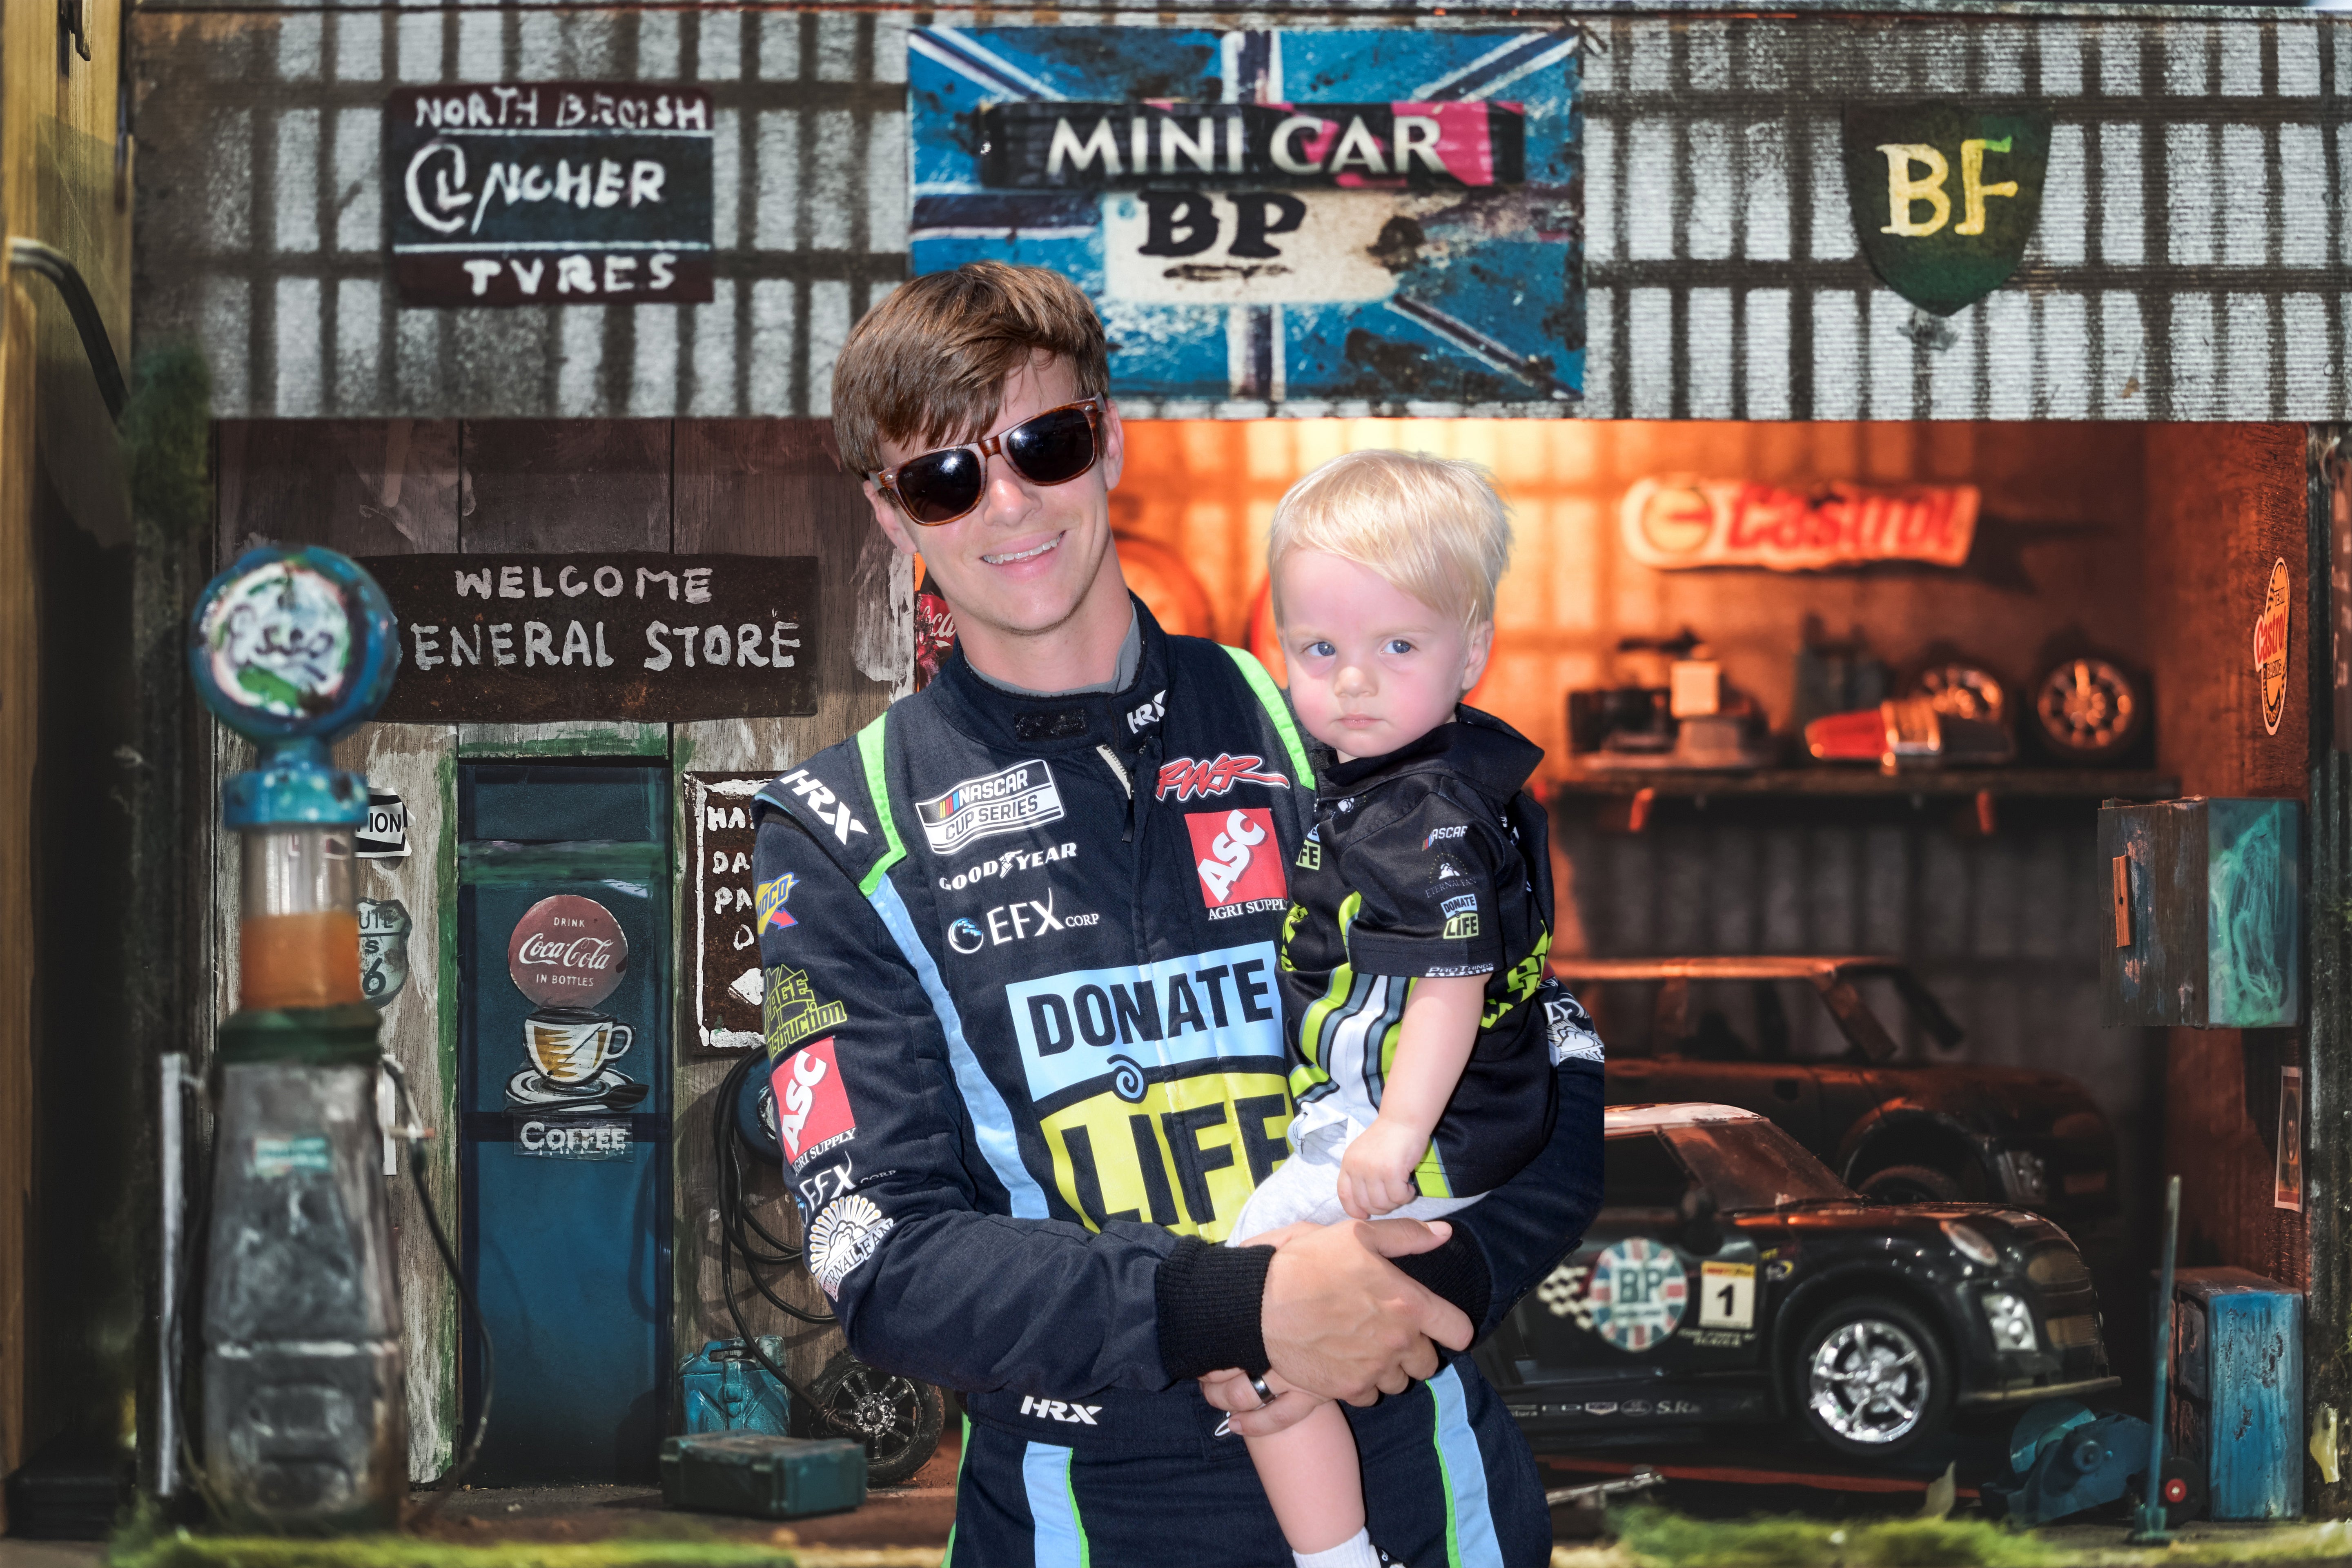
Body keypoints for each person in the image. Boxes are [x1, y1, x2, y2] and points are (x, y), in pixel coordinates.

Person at [750, 260, 1604, 1566]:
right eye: (945, 477)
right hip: (1083, 1522)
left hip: (1422, 1496)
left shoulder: (1333, 728)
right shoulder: (840, 827)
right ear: (890, 513)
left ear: (1111, 439)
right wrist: (1241, 1309)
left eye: (1043, 443)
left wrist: (1417, 1295)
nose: (1009, 504)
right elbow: (883, 1258)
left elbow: (1549, 1070)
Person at [1209, 451, 1568, 1568]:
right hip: (1440, 1118)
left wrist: (1396, 1134)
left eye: (1395, 648)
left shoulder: (1425, 809)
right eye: (1322, 651)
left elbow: (1452, 981)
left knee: (1243, 1305)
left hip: (1428, 1131)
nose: (1353, 682)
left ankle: (1336, 1557)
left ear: (1472, 652)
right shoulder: (1418, 774)